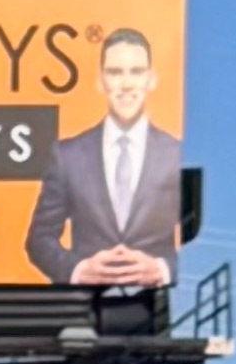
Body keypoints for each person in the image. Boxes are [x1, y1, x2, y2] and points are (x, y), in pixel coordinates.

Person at [26, 26, 180, 289]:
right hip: (85, 307)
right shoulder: (68, 156)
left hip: (154, 306)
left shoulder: (176, 156)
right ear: (100, 81)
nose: (126, 83)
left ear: (151, 79)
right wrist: (77, 270)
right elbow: (39, 240)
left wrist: (162, 270)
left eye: (136, 71)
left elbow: (202, 242)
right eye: (115, 72)